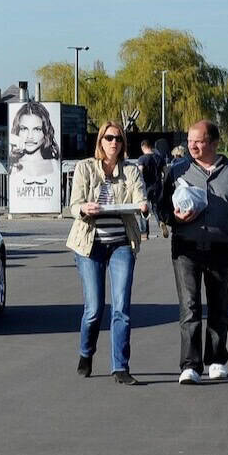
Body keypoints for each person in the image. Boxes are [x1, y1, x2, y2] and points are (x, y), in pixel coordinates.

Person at [158, 120, 228, 385]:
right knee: (189, 306)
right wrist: (174, 217)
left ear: (214, 143)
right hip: (185, 248)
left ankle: (216, 359)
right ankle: (190, 365)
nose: (192, 145)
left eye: (199, 141)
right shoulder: (177, 170)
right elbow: (162, 207)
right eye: (190, 140)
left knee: (219, 305)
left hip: (220, 247)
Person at [67, 122, 149, 386]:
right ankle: (86, 352)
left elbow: (140, 197)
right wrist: (84, 208)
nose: (114, 143)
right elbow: (74, 204)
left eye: (119, 139)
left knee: (122, 306)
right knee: (94, 309)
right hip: (90, 244)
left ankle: (120, 367)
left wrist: (144, 206)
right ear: (100, 141)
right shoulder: (85, 168)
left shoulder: (131, 170)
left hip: (121, 244)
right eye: (109, 138)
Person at [9, 102, 60, 179]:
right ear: (18, 131)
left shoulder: (56, 166)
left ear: (45, 132)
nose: (30, 136)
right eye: (24, 129)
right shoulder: (11, 166)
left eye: (37, 129)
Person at [135, 140, 166, 239]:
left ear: (143, 147)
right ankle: (161, 222)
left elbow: (140, 172)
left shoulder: (142, 159)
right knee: (156, 208)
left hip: (146, 187)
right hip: (158, 186)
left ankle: (144, 233)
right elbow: (165, 172)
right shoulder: (160, 158)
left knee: (144, 208)